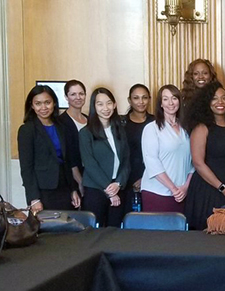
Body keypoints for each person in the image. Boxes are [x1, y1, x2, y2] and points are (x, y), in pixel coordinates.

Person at [185, 82, 225, 230]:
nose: (220, 102)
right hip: (207, 191)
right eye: (214, 98)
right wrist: (222, 188)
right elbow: (198, 163)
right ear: (207, 102)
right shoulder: (202, 128)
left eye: (224, 98)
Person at [18, 86, 81, 212]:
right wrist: (34, 198)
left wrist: (73, 189)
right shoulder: (27, 130)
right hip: (43, 191)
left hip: (64, 188)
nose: (43, 108)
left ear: (54, 103)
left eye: (47, 102)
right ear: (32, 106)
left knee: (68, 228)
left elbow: (68, 161)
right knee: (47, 229)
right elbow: (26, 168)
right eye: (38, 104)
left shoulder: (62, 127)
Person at [79, 88, 130, 227]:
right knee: (95, 233)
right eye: (100, 104)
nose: (105, 108)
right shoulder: (86, 133)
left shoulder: (120, 129)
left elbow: (126, 161)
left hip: (118, 188)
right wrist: (109, 189)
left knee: (114, 232)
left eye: (109, 103)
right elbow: (90, 164)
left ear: (114, 105)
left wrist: (118, 183)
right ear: (94, 107)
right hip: (96, 190)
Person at [140, 85, 193, 213]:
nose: (170, 103)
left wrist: (185, 187)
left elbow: (192, 162)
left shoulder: (186, 128)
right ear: (161, 104)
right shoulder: (151, 128)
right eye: (165, 99)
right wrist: (173, 189)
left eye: (174, 98)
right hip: (157, 192)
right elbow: (152, 162)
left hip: (182, 193)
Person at [121, 84, 155, 211]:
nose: (141, 102)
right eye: (136, 98)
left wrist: (145, 178)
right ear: (129, 100)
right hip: (126, 179)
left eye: (144, 97)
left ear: (149, 99)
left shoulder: (156, 122)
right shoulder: (121, 124)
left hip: (151, 176)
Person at [58, 79, 88, 195]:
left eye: (81, 94)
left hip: (90, 174)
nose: (78, 97)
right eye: (73, 94)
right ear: (66, 97)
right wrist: (80, 181)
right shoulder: (61, 122)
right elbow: (68, 157)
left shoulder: (89, 120)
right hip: (72, 178)